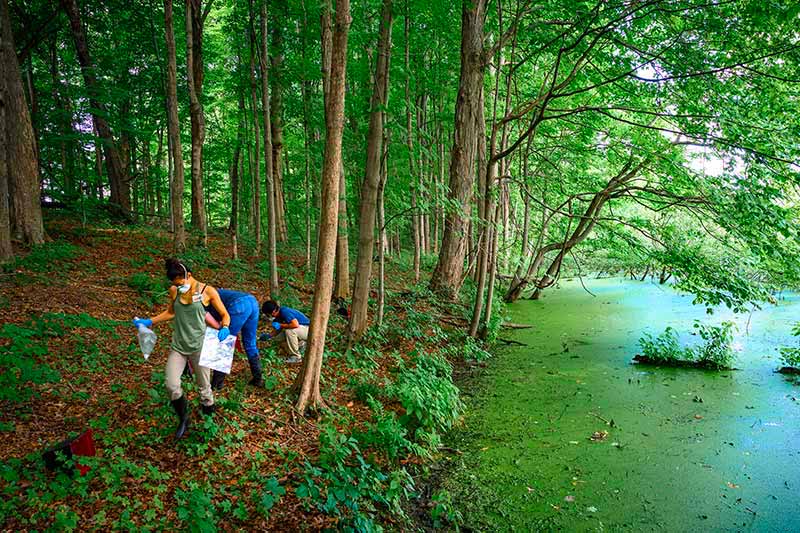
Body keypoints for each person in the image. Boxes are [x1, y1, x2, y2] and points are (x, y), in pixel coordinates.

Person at [132, 259, 231, 440]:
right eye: (175, 284)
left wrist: (224, 326)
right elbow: (171, 312)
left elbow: (225, 315)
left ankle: (208, 422)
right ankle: (184, 419)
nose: (177, 286)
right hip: (179, 346)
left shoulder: (207, 291)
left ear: (189, 276)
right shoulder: (174, 291)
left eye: (180, 282)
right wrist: (150, 321)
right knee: (171, 384)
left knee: (205, 388)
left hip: (199, 346)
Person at [205, 289, 263, 390]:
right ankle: (258, 378)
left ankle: (217, 384)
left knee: (225, 343)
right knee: (250, 344)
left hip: (239, 305)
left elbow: (211, 323)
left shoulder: (202, 301)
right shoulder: (211, 293)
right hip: (252, 302)